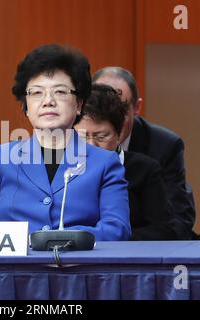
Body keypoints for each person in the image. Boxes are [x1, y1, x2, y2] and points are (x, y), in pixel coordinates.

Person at [0, 44, 131, 240]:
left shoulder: (105, 163)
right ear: (25, 107)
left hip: (77, 268)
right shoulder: (1, 160)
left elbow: (116, 230)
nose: (48, 101)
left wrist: (55, 240)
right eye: (36, 93)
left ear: (79, 104)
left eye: (60, 92)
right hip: (14, 269)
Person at [92, 66, 198, 240]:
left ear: (137, 107)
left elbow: (178, 220)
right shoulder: (69, 145)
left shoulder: (164, 146)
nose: (110, 119)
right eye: (99, 109)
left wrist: (114, 240)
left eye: (119, 110)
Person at [75, 84, 177, 240]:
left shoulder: (145, 169)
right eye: (82, 137)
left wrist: (112, 238)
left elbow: (163, 230)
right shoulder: (61, 171)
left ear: (119, 134)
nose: (91, 146)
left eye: (101, 137)